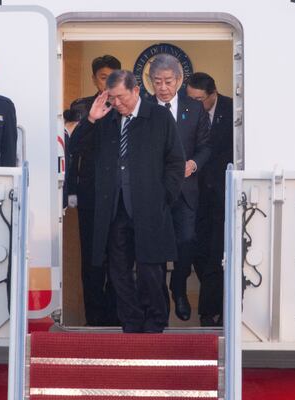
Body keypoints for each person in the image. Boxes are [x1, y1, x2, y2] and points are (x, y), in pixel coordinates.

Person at [69, 70, 185, 333]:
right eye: (112, 99)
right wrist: (90, 119)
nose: (116, 103)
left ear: (135, 91)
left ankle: (155, 323)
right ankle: (131, 323)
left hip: (149, 208)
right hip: (115, 208)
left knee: (150, 271)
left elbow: (175, 162)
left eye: (120, 97)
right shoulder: (106, 120)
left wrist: (164, 197)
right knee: (118, 271)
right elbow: (75, 147)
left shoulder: (158, 116)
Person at [147, 54, 211, 322]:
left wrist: (194, 164)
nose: (162, 87)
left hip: (185, 191)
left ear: (179, 80)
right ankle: (160, 299)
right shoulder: (143, 108)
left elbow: (207, 146)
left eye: (168, 81)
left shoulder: (194, 109)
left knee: (186, 242)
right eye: (157, 82)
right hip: (153, 192)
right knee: (156, 248)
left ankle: (179, 288)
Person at [67, 55, 121, 326]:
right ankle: (94, 320)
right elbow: (73, 147)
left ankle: (116, 317)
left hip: (121, 197)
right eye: (103, 77)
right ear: (94, 79)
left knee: (119, 258)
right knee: (91, 259)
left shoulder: (128, 106)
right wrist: (71, 190)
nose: (108, 82)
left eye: (113, 76)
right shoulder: (81, 107)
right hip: (90, 194)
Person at [186, 72, 234, 327]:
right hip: (194, 192)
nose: (194, 105)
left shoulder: (232, 109)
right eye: (190, 99)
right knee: (196, 249)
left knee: (217, 251)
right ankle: (212, 301)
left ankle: (210, 311)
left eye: (199, 100)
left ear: (213, 94)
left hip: (223, 193)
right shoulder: (184, 112)